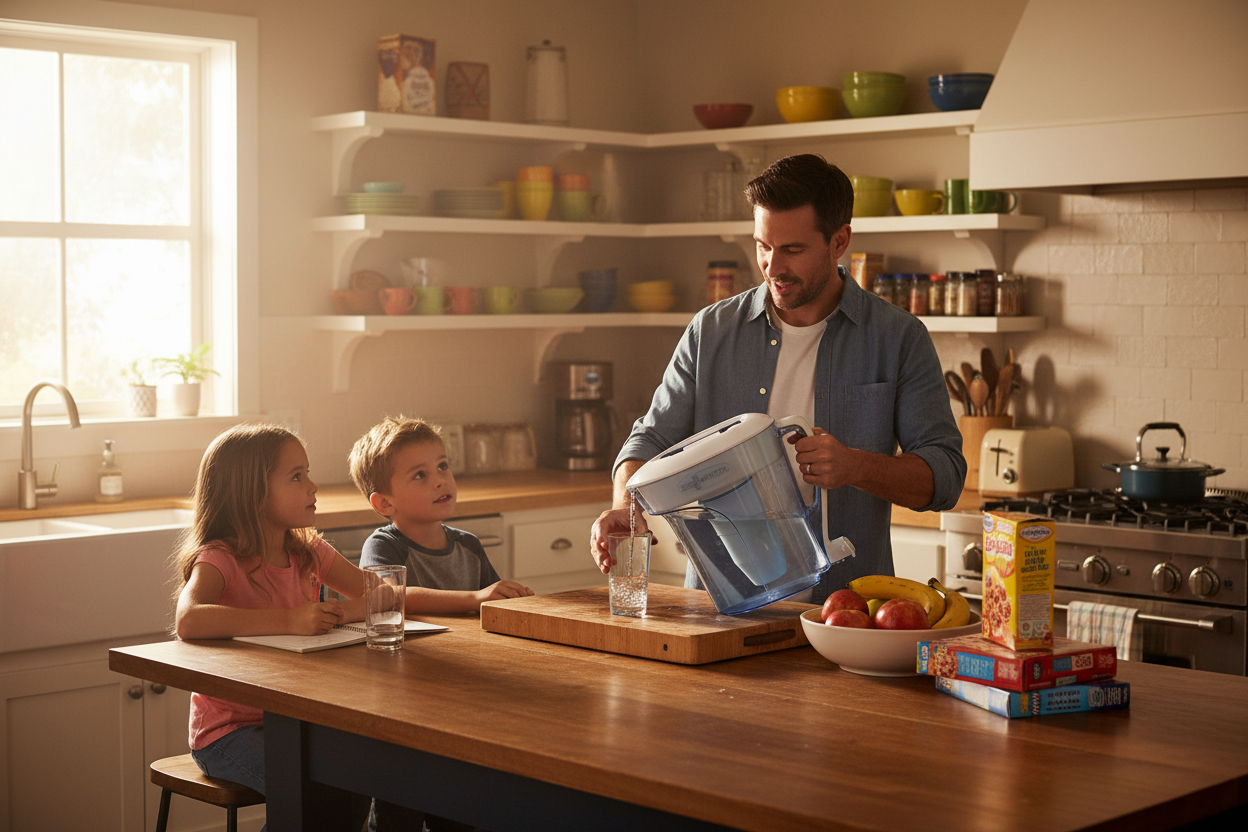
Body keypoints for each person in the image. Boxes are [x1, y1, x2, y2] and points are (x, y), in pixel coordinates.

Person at [590, 154, 966, 604]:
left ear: (839, 241)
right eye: (762, 245)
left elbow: (945, 476)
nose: (771, 266)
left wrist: (854, 466)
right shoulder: (710, 332)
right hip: (719, 610)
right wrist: (624, 505)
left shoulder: (898, 339)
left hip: (845, 615)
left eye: (792, 249)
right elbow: (649, 438)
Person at [348, 415, 533, 832]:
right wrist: (473, 598)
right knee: (400, 806)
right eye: (420, 474)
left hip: (462, 696)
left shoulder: (467, 544)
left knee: (460, 803)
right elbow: (387, 596)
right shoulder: (384, 544)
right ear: (384, 503)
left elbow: (492, 608)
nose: (439, 481)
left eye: (443, 467)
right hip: (403, 702)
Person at [173, 423, 371, 802]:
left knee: (357, 786)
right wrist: (291, 620)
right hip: (229, 732)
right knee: (314, 799)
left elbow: (379, 596)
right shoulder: (219, 559)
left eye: (308, 473)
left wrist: (339, 613)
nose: (313, 486)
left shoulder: (309, 550)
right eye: (297, 477)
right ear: (252, 494)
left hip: (296, 720)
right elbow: (189, 619)